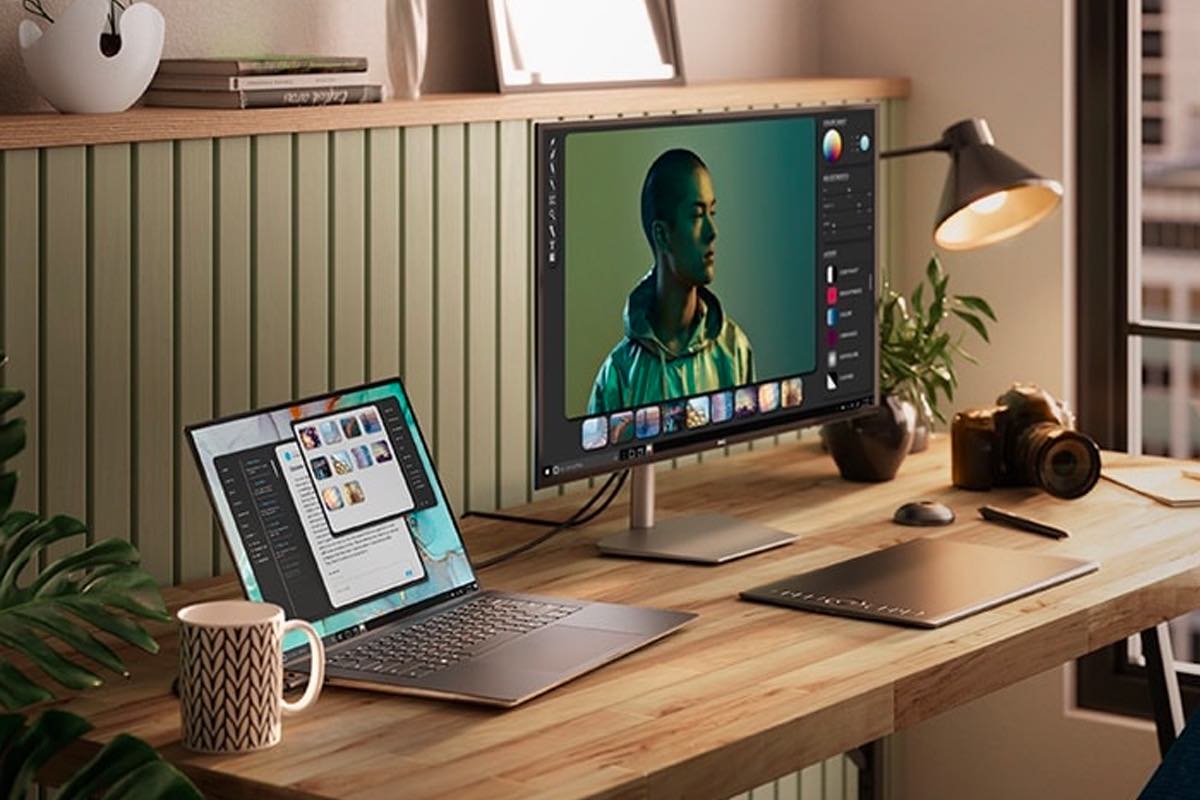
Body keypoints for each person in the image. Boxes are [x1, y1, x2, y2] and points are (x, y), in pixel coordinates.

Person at [587, 149, 754, 414]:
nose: (713, 232)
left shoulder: (735, 352)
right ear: (663, 235)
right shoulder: (618, 376)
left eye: (713, 212)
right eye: (697, 215)